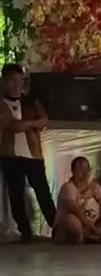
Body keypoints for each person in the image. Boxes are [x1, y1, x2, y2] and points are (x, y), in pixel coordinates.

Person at [0, 63, 56, 243]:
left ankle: (57, 226)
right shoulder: (1, 103)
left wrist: (26, 124)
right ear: (4, 81)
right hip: (10, 155)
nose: (16, 85)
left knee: (42, 192)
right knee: (16, 194)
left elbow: (44, 121)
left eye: (19, 80)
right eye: (12, 81)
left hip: (33, 154)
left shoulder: (33, 102)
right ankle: (25, 232)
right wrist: (30, 123)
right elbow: (10, 125)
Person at [53, 156, 101, 244]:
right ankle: (87, 236)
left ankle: (92, 236)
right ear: (73, 171)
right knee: (71, 220)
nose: (84, 173)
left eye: (87, 169)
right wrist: (94, 229)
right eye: (80, 169)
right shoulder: (68, 187)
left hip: (92, 224)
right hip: (75, 224)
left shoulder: (95, 187)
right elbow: (77, 212)